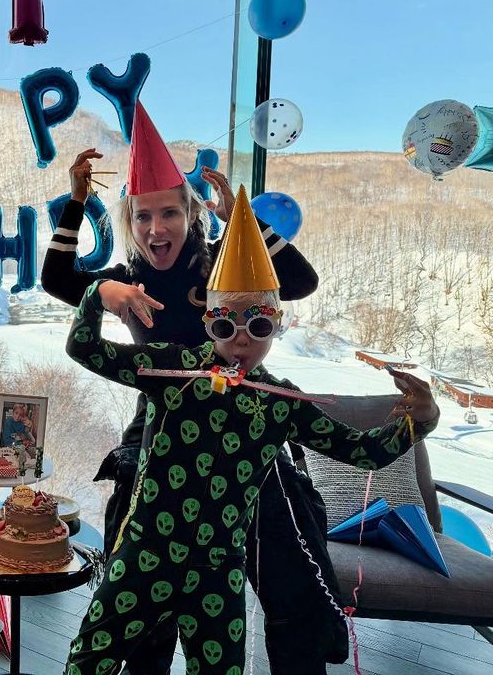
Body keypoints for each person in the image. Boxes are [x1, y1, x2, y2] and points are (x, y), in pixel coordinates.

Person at [63, 186, 440, 675]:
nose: (241, 339)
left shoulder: (281, 400)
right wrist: (97, 295)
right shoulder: (172, 368)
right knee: (89, 661)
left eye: (258, 326)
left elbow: (363, 452)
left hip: (218, 572)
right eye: (224, 326)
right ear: (208, 321)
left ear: (276, 325)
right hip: (142, 558)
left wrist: (421, 420)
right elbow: (86, 350)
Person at [41, 101, 345, 674]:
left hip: (245, 423)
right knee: (137, 574)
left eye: (169, 215)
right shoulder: (127, 279)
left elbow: (301, 282)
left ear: (189, 215)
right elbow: (57, 279)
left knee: (291, 567)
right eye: (143, 218)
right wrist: (80, 210)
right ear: (130, 223)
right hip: (162, 424)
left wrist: (242, 222)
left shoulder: (217, 264)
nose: (157, 229)